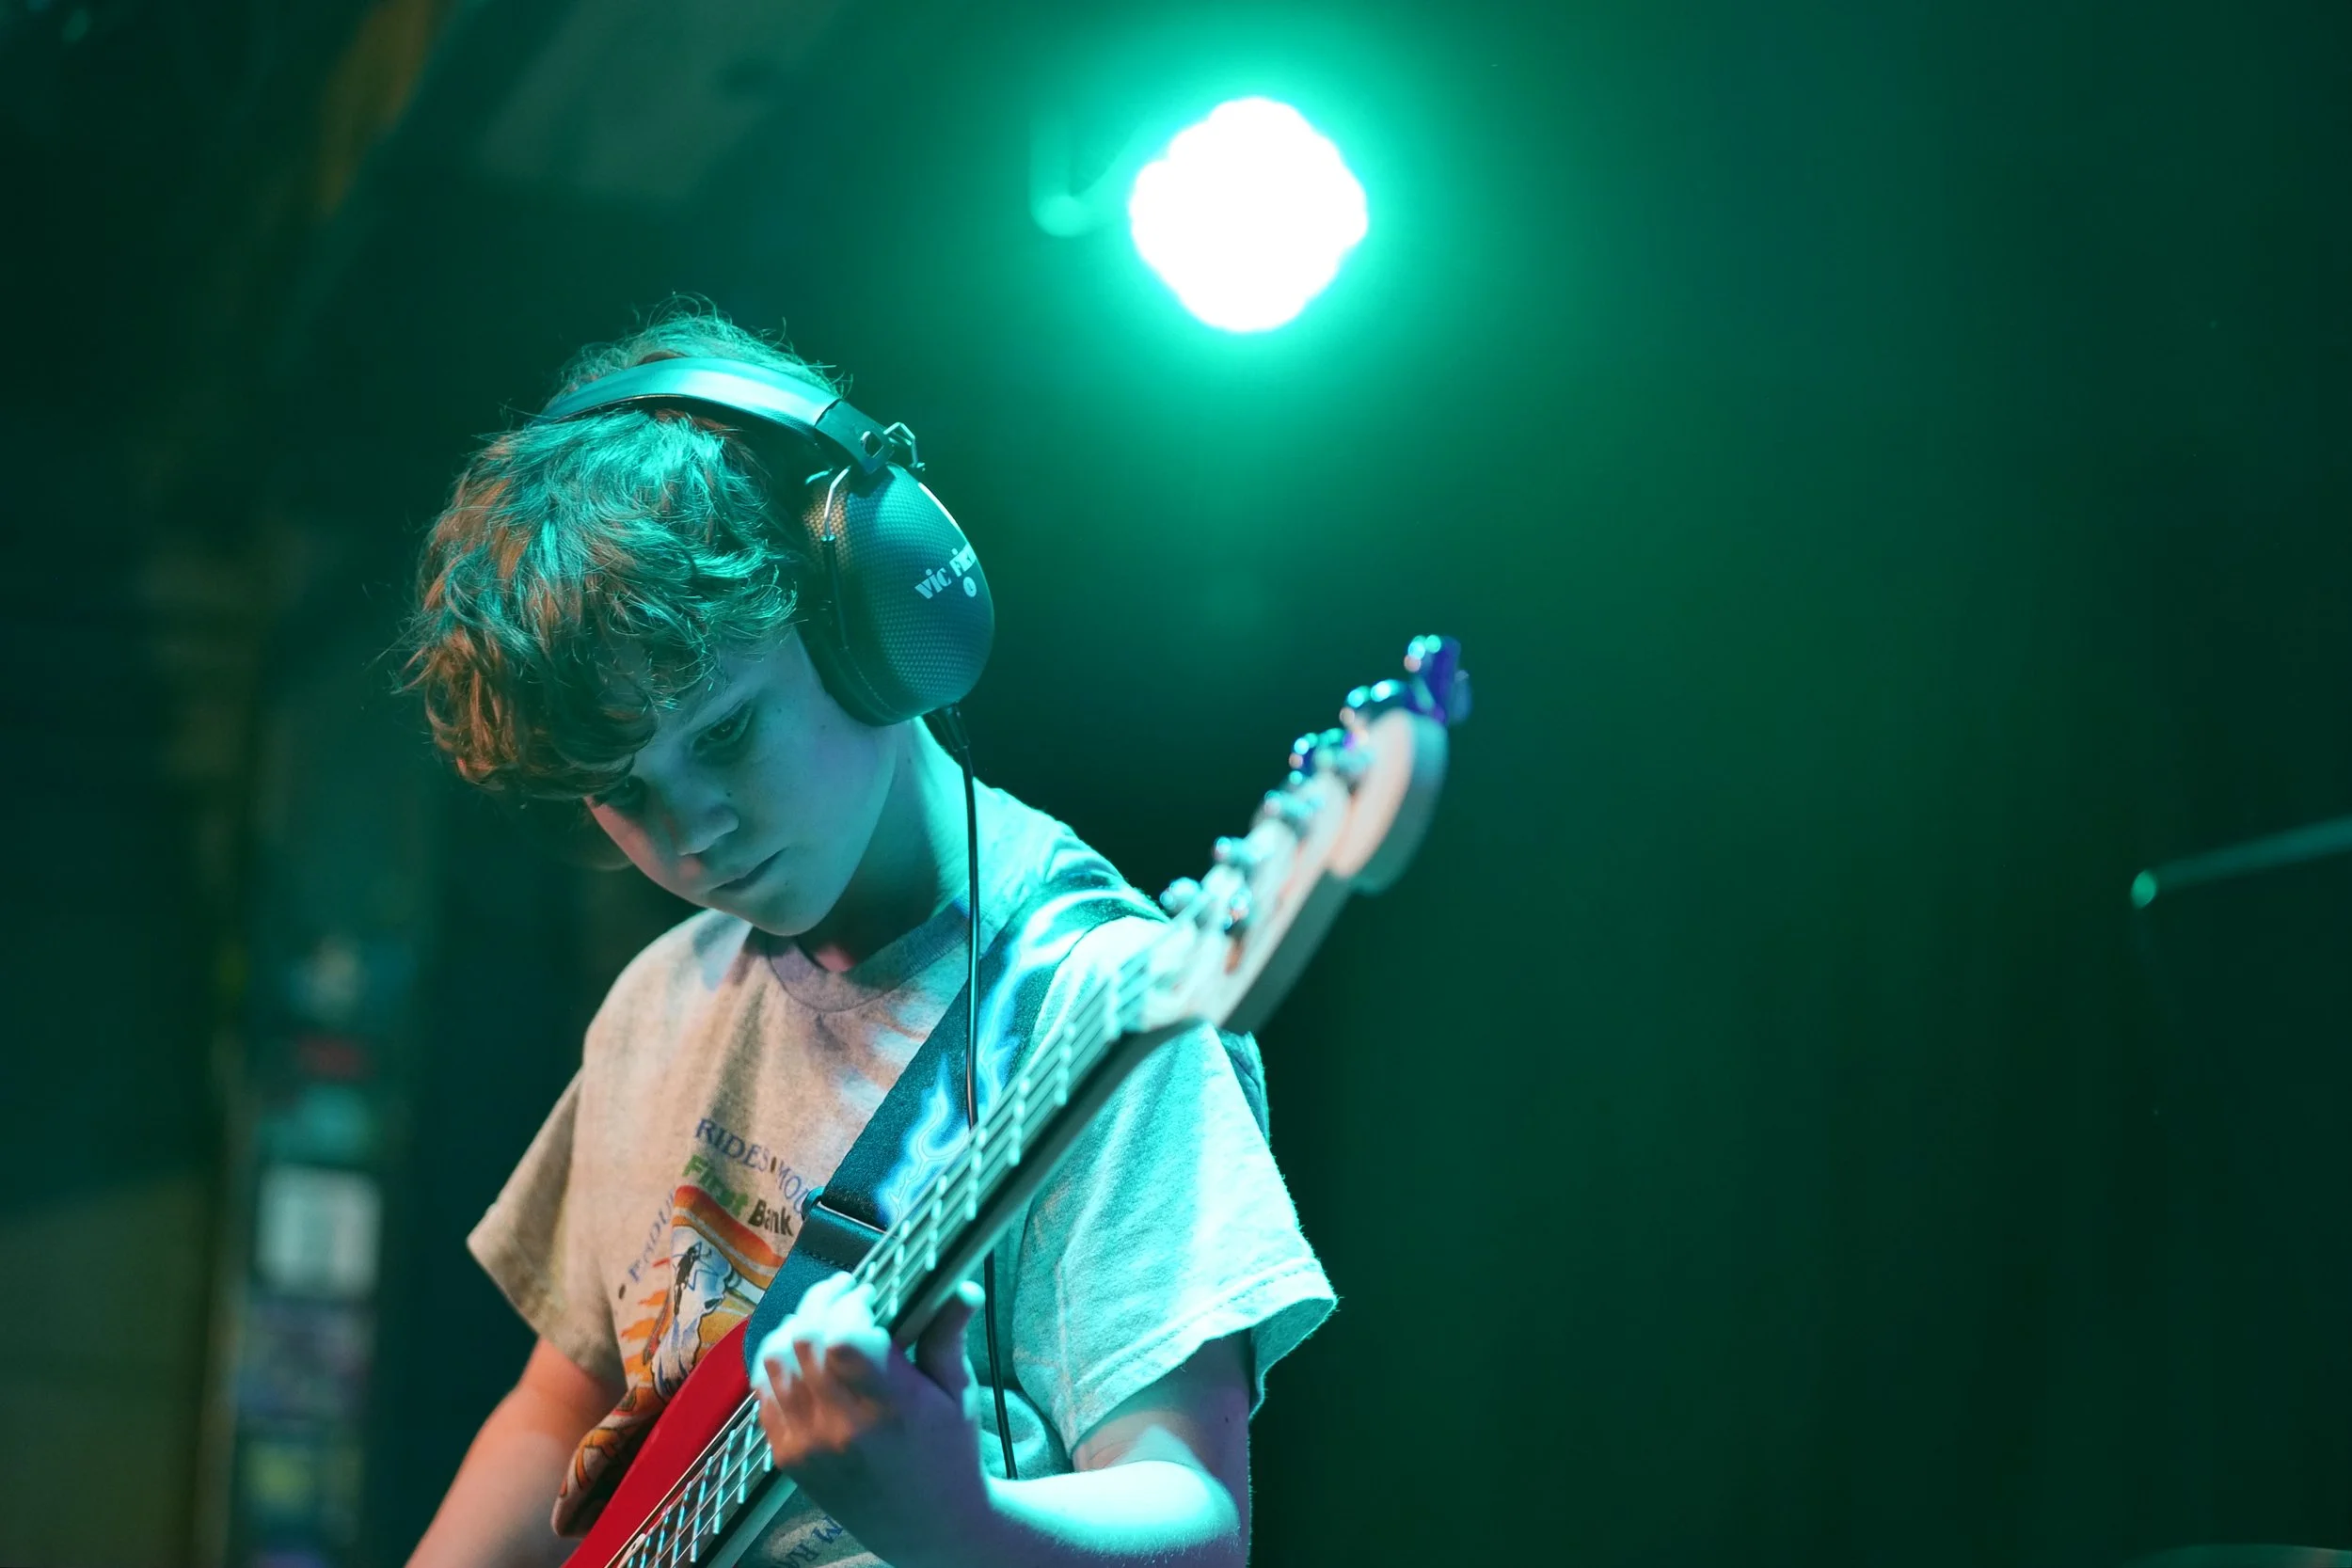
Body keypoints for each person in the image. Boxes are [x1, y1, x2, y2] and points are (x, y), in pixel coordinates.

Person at [396, 301, 1332, 1568]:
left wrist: (959, 1520)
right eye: (626, 790)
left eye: (723, 731)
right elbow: (562, 1405)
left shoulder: (1101, 999)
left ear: (872, 619)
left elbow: (1200, 1527)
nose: (696, 832)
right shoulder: (659, 1005)